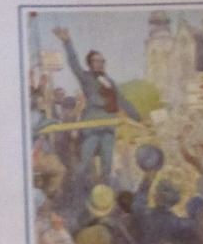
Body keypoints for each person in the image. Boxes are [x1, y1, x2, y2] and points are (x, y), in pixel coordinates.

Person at [53, 26, 140, 183]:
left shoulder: (110, 82)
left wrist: (138, 117)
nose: (100, 64)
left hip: (108, 128)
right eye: (96, 61)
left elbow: (122, 101)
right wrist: (67, 42)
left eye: (102, 61)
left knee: (107, 165)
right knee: (85, 162)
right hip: (92, 127)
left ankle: (104, 192)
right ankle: (76, 189)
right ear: (90, 63)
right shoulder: (86, 78)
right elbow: (74, 64)